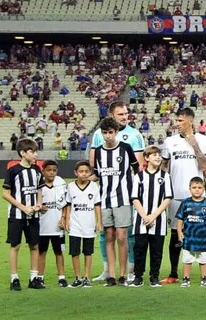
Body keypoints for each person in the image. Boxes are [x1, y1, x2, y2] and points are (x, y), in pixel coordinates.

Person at [91, 101, 145, 283]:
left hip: (123, 198)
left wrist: (135, 190)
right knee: (108, 236)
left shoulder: (128, 145)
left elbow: (138, 169)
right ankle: (110, 274)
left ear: (116, 132)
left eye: (110, 132)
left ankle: (125, 273)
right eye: (105, 133)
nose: (107, 136)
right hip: (105, 199)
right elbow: (96, 172)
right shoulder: (98, 151)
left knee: (123, 236)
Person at [161, 108, 206, 284]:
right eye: (176, 120)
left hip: (198, 196)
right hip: (175, 195)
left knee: (202, 232)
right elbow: (164, 166)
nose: (177, 123)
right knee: (176, 233)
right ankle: (174, 273)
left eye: (180, 120)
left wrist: (194, 145)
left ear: (191, 121)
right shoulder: (169, 141)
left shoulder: (203, 140)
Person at [2, 138, 44, 291]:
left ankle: (34, 278)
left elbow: (39, 189)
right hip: (16, 215)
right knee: (15, 245)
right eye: (32, 151)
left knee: (34, 245)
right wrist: (23, 207)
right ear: (23, 153)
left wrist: (38, 205)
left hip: (33, 215)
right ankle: (14, 279)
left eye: (36, 151)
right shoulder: (13, 171)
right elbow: (5, 193)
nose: (35, 154)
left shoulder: (37, 170)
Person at [129, 146, 173, 288]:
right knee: (140, 249)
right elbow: (135, 198)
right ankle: (138, 277)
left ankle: (154, 277)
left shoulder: (165, 176)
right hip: (141, 220)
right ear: (146, 158)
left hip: (158, 220)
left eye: (159, 155)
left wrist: (153, 216)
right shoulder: (138, 177)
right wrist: (145, 216)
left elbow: (167, 198)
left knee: (156, 251)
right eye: (154, 155)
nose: (158, 157)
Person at [65, 160, 102, 288]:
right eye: (81, 171)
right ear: (76, 173)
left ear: (90, 172)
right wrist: (67, 220)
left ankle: (87, 277)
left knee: (88, 252)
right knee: (74, 252)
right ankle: (77, 277)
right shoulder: (70, 186)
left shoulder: (94, 186)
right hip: (75, 224)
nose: (84, 174)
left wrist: (99, 222)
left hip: (89, 224)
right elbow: (68, 205)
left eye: (86, 171)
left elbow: (97, 205)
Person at [176, 177, 206, 288]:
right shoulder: (185, 203)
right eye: (194, 187)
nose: (197, 190)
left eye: (199, 187)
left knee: (203, 259)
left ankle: (204, 278)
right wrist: (179, 232)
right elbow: (179, 219)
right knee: (187, 260)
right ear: (190, 189)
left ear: (204, 189)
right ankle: (186, 279)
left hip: (202, 239)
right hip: (189, 238)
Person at [38, 160, 68, 288]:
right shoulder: (38, 185)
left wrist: (63, 218)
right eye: (49, 170)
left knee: (59, 252)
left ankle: (61, 277)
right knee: (41, 252)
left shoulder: (61, 183)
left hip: (58, 227)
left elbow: (66, 203)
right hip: (42, 227)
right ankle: (39, 277)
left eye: (54, 170)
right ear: (43, 171)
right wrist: (39, 207)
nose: (52, 173)